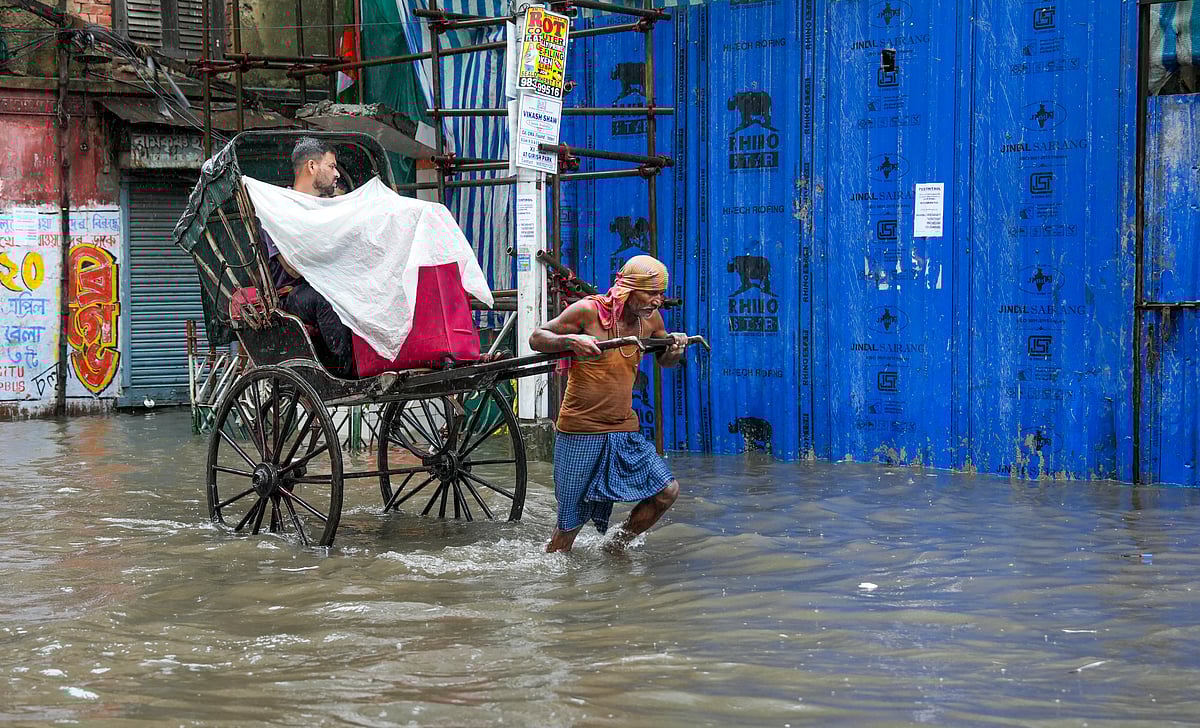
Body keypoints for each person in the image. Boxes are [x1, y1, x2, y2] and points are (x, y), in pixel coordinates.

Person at [529, 255, 689, 553]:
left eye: (660, 294)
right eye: (651, 293)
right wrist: (572, 342)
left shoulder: (650, 319)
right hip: (581, 430)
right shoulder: (589, 311)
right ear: (628, 290)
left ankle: (615, 545)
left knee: (667, 492)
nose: (658, 301)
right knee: (569, 526)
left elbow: (665, 360)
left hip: (623, 428)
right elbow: (537, 337)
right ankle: (558, 581)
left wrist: (675, 347)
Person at [263, 137, 355, 378]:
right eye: (332, 166)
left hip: (327, 282)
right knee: (327, 298)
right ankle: (342, 374)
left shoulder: (329, 207)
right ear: (312, 167)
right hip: (292, 294)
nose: (336, 174)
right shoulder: (278, 208)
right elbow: (292, 267)